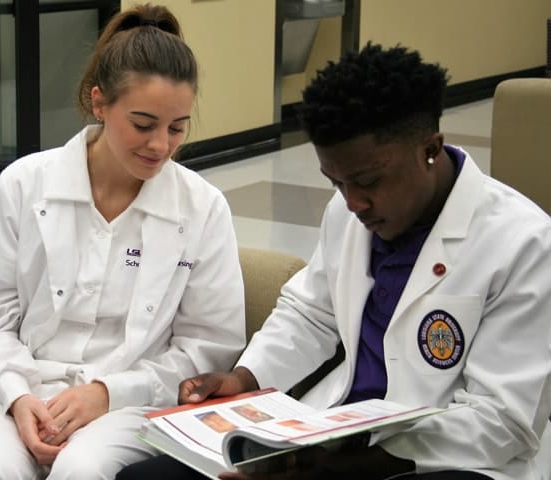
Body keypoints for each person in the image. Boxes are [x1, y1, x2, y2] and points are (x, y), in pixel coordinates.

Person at [117, 43, 551, 480]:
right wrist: (246, 379)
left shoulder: (524, 244)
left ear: (430, 150)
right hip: (329, 433)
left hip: (443, 457)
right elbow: (310, 315)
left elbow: (502, 422)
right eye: (337, 182)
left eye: (367, 181)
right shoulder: (347, 209)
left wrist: (350, 469)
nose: (354, 202)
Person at [0, 3, 246, 479]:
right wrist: (17, 394)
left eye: (177, 127)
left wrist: (109, 393)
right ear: (99, 102)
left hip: (130, 404)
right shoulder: (24, 184)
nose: (161, 146)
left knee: (84, 470)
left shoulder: (203, 207)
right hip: (19, 391)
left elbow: (208, 346)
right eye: (143, 123)